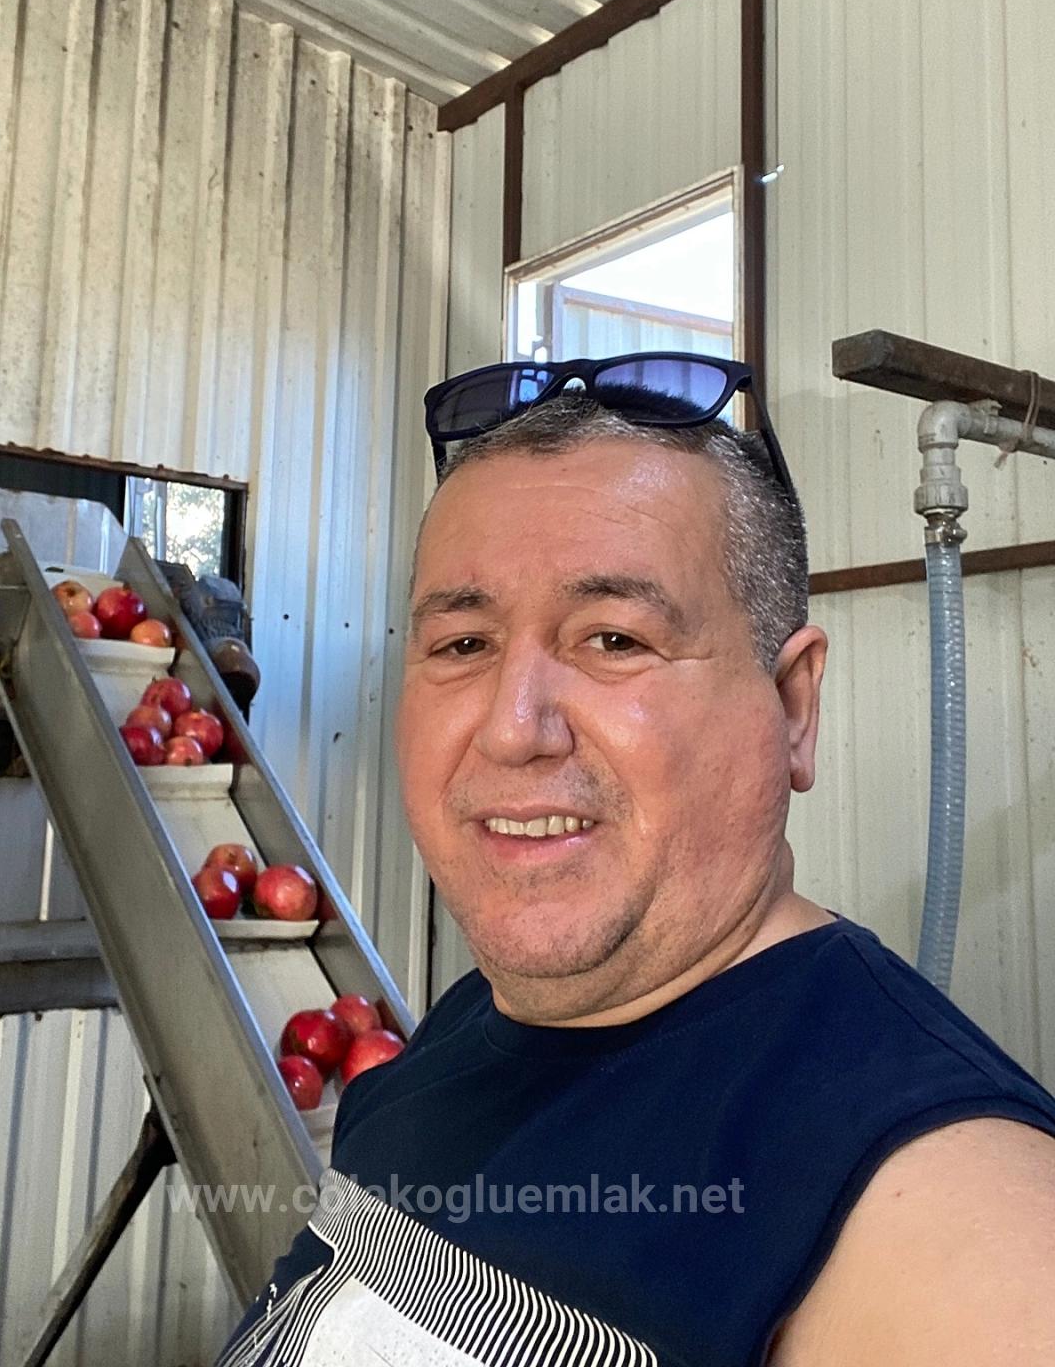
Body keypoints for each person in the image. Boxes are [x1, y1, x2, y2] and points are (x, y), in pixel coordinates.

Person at [218, 354, 1055, 1367]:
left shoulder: (942, 1216)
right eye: (464, 644)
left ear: (793, 707)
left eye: (613, 639)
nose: (511, 729)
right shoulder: (469, 1026)